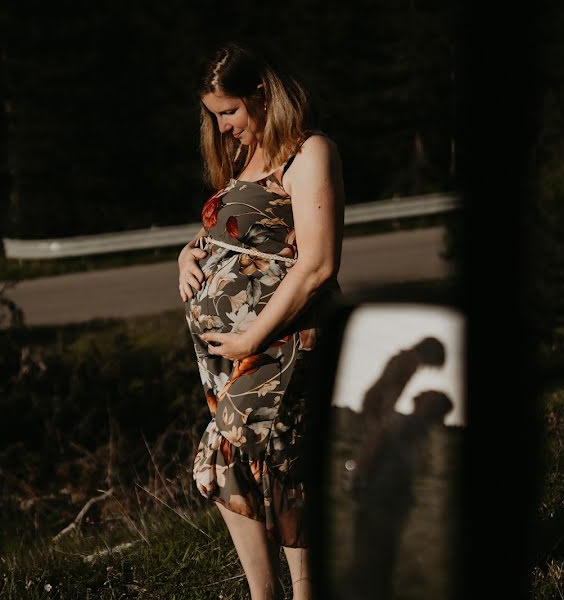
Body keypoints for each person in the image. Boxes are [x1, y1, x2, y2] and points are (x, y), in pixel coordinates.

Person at [177, 42, 344, 600]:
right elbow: (232, 236)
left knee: (231, 452)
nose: (223, 128)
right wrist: (187, 253)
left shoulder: (309, 153)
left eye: (230, 112)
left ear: (261, 94)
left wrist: (252, 334)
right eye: (214, 116)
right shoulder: (243, 165)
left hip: (285, 335)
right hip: (234, 351)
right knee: (273, 462)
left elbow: (318, 264)